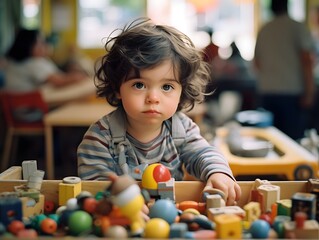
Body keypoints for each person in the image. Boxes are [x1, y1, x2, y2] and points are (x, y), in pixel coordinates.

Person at [77, 18, 241, 206]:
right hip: (122, 218)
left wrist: (218, 172)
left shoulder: (182, 128)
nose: (153, 97)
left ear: (182, 91)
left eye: (167, 86)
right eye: (139, 85)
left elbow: (203, 152)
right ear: (117, 89)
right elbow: (94, 190)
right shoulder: (99, 138)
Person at [254, 0, 316, 140]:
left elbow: (257, 63)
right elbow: (307, 61)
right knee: (292, 141)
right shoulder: (297, 27)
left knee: (270, 141)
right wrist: (310, 92)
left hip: (267, 92)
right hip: (292, 93)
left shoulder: (264, 29)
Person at [3, 28, 87, 92]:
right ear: (28, 45)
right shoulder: (34, 63)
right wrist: (78, 77)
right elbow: (59, 81)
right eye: (40, 43)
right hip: (30, 108)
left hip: (14, 107)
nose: (44, 46)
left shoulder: (11, 62)